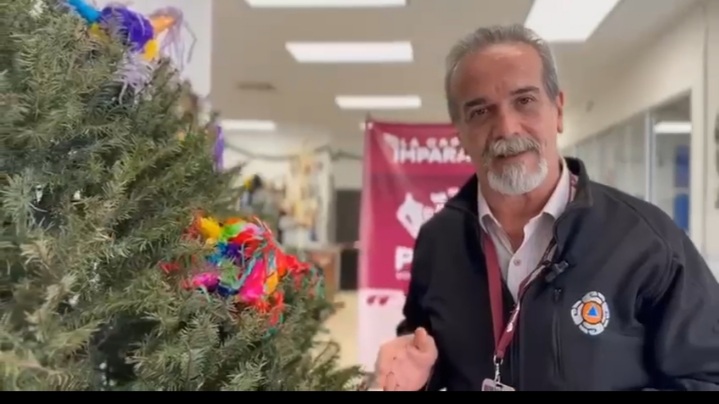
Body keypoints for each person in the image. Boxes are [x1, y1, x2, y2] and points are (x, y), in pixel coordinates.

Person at [374, 24, 719, 391]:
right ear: (459, 134)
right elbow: (424, 345)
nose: (506, 128)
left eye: (524, 101)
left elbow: (708, 375)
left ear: (558, 110)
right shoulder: (438, 241)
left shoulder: (645, 241)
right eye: (480, 111)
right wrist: (420, 376)